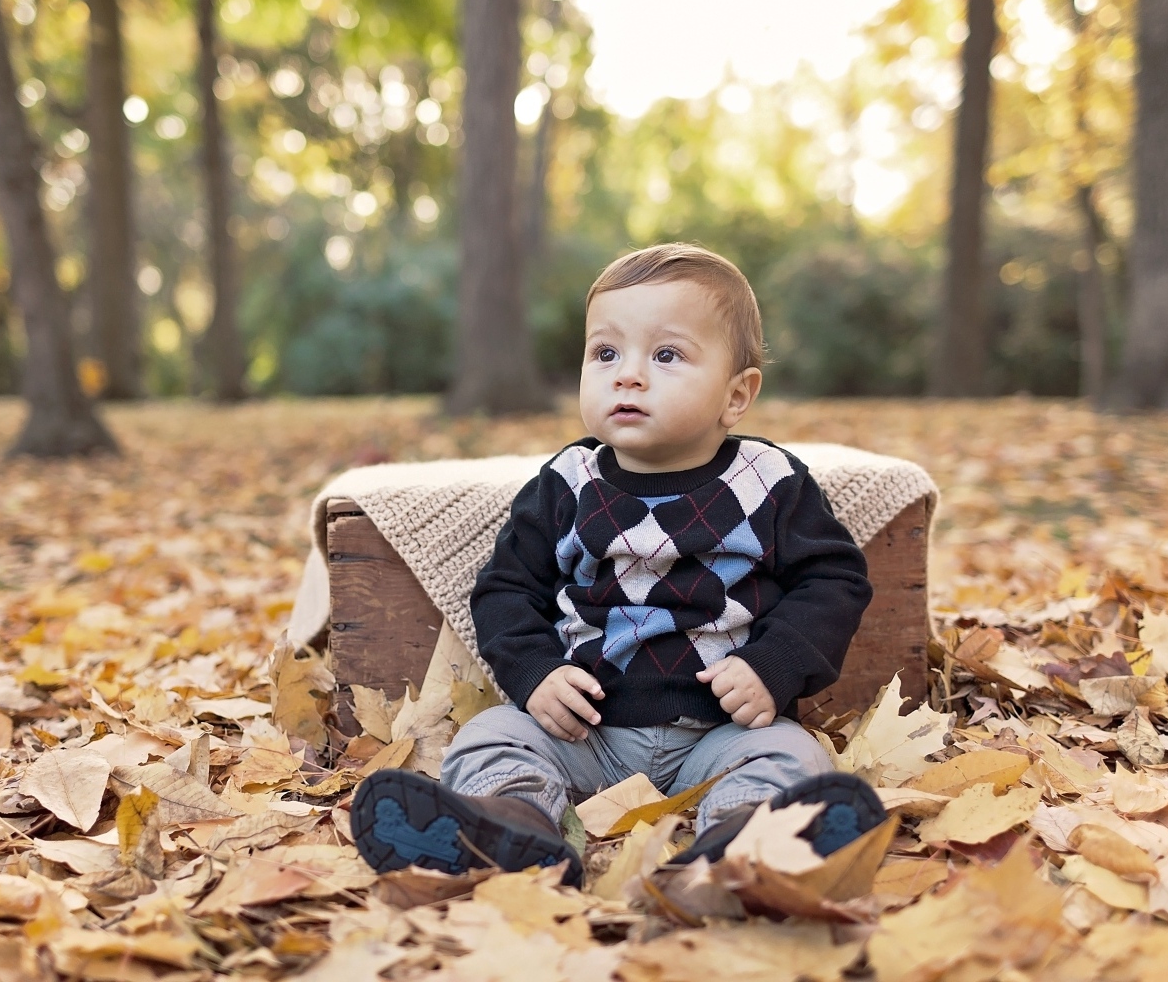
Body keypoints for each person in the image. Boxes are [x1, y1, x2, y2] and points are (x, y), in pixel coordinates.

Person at [351, 243, 885, 886]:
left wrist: (772, 666)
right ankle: (515, 823)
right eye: (605, 353)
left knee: (790, 755)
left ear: (737, 395)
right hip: (587, 732)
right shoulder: (567, 482)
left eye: (666, 355)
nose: (627, 375)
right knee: (492, 734)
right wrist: (536, 673)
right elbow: (505, 588)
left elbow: (834, 580)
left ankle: (743, 838)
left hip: (721, 731)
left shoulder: (767, 482)